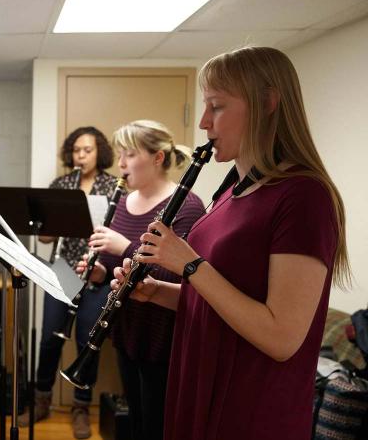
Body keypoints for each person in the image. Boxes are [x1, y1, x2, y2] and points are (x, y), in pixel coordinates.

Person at [110, 46, 350, 440]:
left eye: (216, 106)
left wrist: (188, 263)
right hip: (199, 379)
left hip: (249, 404)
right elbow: (220, 300)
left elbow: (282, 337)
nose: (204, 122)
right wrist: (157, 292)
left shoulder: (303, 196)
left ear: (268, 102)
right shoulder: (234, 190)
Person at [78, 120, 205, 440]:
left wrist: (125, 246)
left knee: (157, 425)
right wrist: (99, 273)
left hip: (164, 335)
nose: (120, 163)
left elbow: (182, 273)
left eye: (129, 154)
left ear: (158, 158)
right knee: (135, 418)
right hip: (128, 329)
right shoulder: (122, 203)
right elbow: (113, 267)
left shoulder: (187, 206)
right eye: (120, 154)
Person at [22, 126, 118, 439]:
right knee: (49, 337)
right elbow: (47, 237)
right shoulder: (61, 184)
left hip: (97, 272)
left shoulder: (113, 185)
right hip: (63, 269)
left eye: (87, 150)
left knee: (86, 341)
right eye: (76, 150)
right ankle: (41, 399)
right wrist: (45, 221)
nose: (81, 155)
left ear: (99, 152)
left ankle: (80, 406)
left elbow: (119, 233)